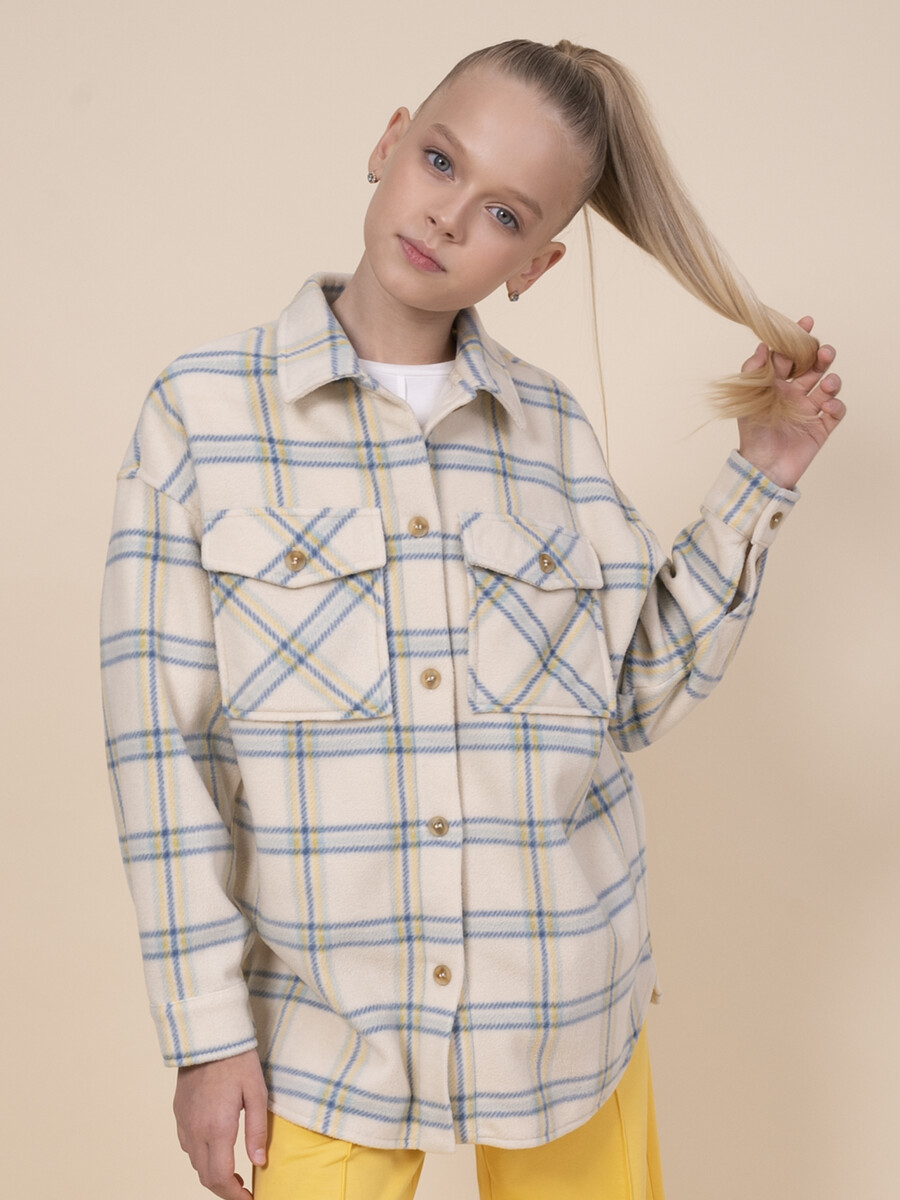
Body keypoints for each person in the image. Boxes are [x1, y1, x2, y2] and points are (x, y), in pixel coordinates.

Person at [99, 37, 844, 1200]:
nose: (448, 218)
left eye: (502, 214)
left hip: (565, 1016)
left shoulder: (551, 432)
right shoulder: (199, 416)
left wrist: (765, 475)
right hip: (324, 1035)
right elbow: (162, 747)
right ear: (390, 140)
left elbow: (628, 699)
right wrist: (204, 1032)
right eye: (441, 162)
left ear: (535, 264)